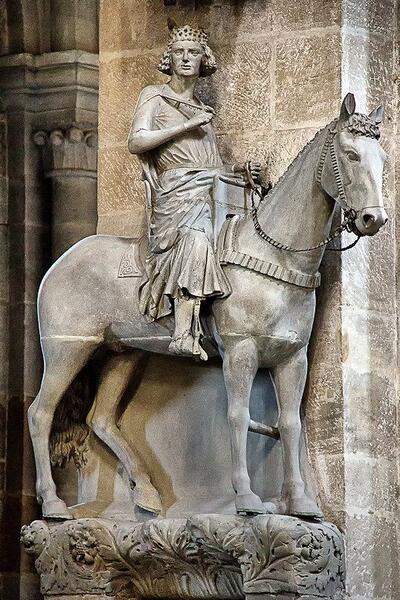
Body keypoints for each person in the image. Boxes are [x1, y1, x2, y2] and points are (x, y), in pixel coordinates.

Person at [128, 21, 261, 360]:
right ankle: (184, 332)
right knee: (197, 238)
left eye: (193, 53)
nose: (186, 58)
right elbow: (137, 141)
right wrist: (185, 125)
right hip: (177, 193)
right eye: (179, 52)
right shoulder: (154, 96)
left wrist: (239, 172)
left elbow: (208, 163)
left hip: (209, 188)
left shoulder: (203, 111)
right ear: (168, 58)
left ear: (204, 60)